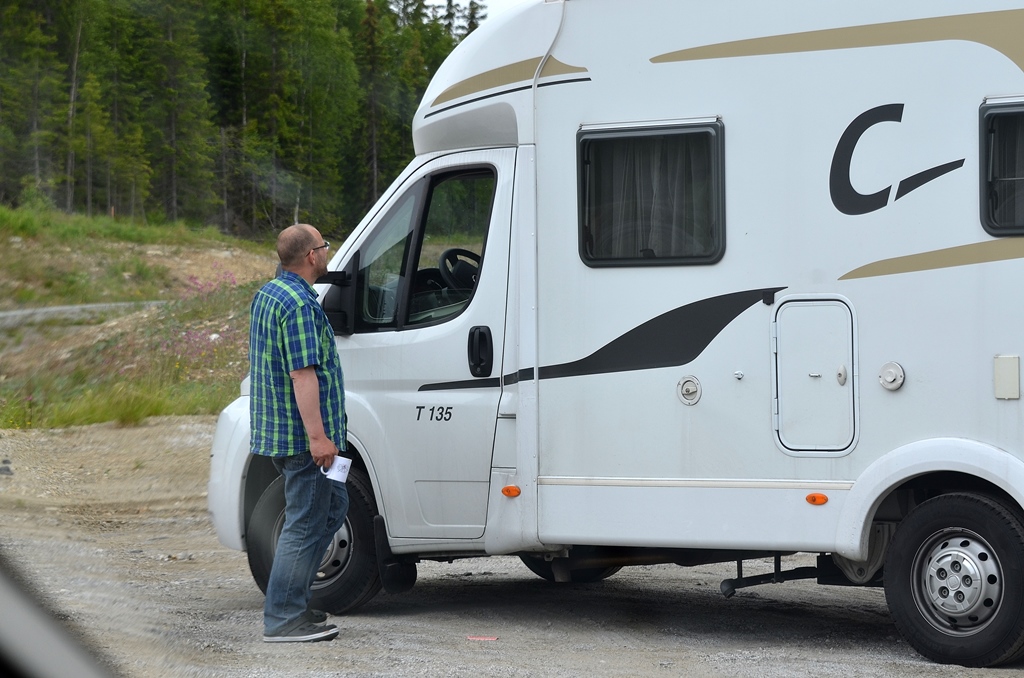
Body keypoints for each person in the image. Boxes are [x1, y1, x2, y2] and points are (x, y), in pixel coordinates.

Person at [248, 223, 349, 643]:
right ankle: (283, 617)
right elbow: (302, 375)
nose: (328, 252)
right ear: (311, 255)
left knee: (333, 506)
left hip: (278, 432)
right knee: (305, 523)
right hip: (302, 439)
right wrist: (318, 438)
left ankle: (294, 600)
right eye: (324, 246)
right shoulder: (301, 306)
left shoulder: (269, 294)